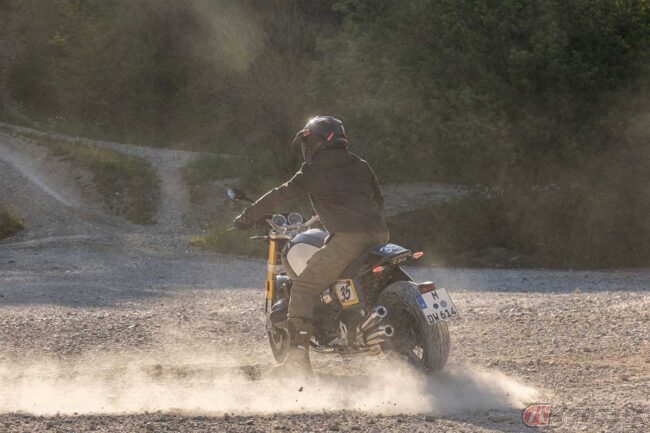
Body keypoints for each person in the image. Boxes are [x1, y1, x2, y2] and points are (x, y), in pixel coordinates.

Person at [233, 116, 389, 374]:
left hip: (348, 237)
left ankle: (297, 361)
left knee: (304, 287)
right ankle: (352, 321)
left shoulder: (313, 169)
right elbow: (378, 200)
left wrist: (247, 217)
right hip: (379, 235)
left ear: (315, 140)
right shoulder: (360, 164)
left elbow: (280, 194)